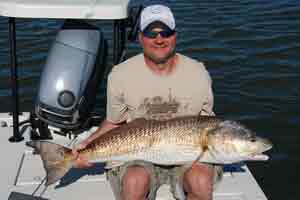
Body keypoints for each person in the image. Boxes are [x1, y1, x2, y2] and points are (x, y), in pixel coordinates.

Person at [73, 4, 222, 200]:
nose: (159, 39)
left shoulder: (198, 73)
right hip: (138, 153)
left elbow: (207, 123)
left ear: (175, 35)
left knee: (200, 183)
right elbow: (114, 122)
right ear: (141, 37)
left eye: (166, 32)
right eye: (152, 33)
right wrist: (85, 146)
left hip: (189, 154)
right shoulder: (120, 74)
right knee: (134, 182)